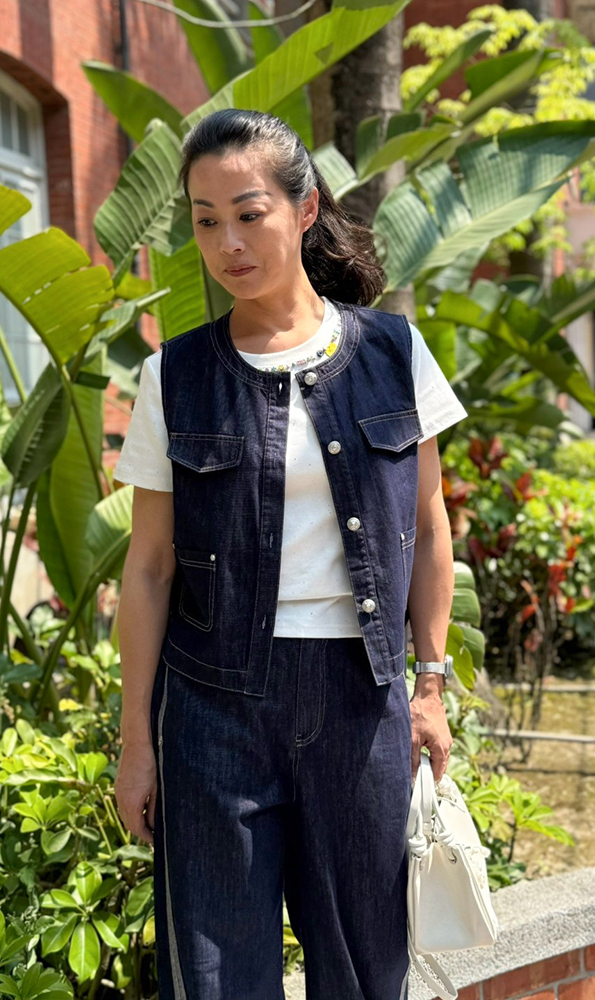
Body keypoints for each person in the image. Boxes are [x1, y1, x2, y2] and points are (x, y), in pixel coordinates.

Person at [113, 108, 468, 1000]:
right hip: (213, 712)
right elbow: (148, 569)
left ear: (304, 210)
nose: (226, 243)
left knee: (364, 970)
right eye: (205, 221)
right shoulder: (174, 376)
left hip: (360, 700)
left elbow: (430, 527)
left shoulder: (392, 353)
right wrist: (135, 741)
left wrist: (430, 683)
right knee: (216, 976)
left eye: (248, 213)